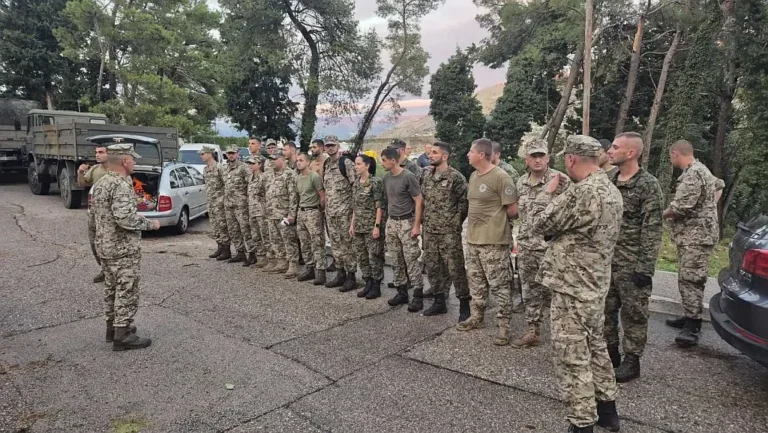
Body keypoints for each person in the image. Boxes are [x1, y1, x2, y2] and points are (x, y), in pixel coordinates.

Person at [529, 135, 623, 433]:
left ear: (570, 159)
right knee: (595, 346)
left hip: (573, 286)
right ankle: (608, 410)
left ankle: (582, 422)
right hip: (594, 284)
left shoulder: (583, 192)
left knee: (571, 354)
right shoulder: (609, 188)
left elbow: (540, 223)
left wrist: (547, 192)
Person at [601, 132, 663, 382]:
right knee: (605, 310)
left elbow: (653, 229)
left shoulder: (648, 185)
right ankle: (610, 352)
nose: (610, 151)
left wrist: (645, 268)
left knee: (634, 314)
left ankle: (632, 360)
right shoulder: (608, 179)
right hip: (606, 260)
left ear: (631, 153)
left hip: (632, 263)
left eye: (615, 147)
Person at [90, 141, 161, 351]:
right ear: (125, 160)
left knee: (111, 289)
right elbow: (125, 219)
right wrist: (151, 224)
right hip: (121, 249)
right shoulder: (120, 184)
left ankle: (112, 329)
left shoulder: (102, 183)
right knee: (126, 289)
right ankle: (123, 335)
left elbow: (95, 217)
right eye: (133, 159)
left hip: (105, 246)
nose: (134, 163)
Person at [456, 139, 517, 346]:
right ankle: (477, 316)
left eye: (470, 151)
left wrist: (495, 224)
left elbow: (513, 210)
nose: (467, 154)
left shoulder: (501, 177)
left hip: (493, 242)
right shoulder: (473, 176)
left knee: (499, 286)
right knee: (476, 282)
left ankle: (503, 326)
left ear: (481, 154)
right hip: (473, 240)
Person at [662, 139, 722, 348]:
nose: (671, 160)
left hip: (696, 237)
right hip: (695, 236)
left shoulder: (693, 173)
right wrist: (708, 207)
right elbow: (719, 185)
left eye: (671, 156)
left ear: (676, 153)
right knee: (687, 277)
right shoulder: (701, 170)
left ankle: (693, 326)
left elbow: (680, 207)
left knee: (691, 279)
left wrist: (662, 214)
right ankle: (689, 314)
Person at [511, 139, 569, 348]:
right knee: (530, 291)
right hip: (527, 246)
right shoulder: (521, 182)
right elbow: (521, 214)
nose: (537, 160)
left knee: (556, 293)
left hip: (551, 248)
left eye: (541, 156)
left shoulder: (560, 181)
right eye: (533, 156)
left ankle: (562, 336)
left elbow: (567, 214)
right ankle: (533, 331)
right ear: (526, 159)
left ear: (548, 158)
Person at [420, 142, 470, 319]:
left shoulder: (456, 177)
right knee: (432, 267)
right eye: (430, 152)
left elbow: (464, 203)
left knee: (456, 269)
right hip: (430, 231)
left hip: (449, 233)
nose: (430, 155)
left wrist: (454, 223)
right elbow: (423, 199)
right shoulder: (426, 174)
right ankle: (439, 301)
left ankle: (464, 304)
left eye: (434, 153)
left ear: (445, 157)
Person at [381, 146, 424, 308]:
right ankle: (402, 291)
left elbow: (419, 201)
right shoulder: (386, 178)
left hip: (407, 222)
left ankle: (418, 294)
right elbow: (388, 201)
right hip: (392, 222)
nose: (382, 163)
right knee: (395, 258)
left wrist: (416, 225)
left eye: (384, 160)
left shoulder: (408, 177)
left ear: (393, 160)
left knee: (411, 259)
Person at [322, 135, 358, 291]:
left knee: (348, 246)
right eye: (327, 145)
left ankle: (351, 277)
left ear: (338, 146)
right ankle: (340, 273)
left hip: (345, 213)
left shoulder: (346, 164)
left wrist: (354, 215)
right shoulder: (326, 164)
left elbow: (355, 188)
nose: (330, 148)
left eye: (332, 145)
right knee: (336, 245)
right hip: (331, 213)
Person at [490, 140, 523, 313]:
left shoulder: (508, 171)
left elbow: (515, 198)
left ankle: (511, 291)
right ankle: (502, 289)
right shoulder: (484, 170)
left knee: (505, 256)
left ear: (497, 154)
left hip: (504, 221)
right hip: (489, 224)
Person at [350, 154, 386, 299]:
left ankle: (376, 285)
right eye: (355, 164)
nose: (356, 167)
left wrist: (377, 226)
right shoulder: (356, 183)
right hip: (358, 226)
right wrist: (352, 225)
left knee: (374, 257)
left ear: (367, 165)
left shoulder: (375, 182)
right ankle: (368, 282)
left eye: (358, 164)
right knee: (362, 257)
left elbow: (379, 206)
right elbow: (355, 206)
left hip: (371, 226)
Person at [263, 151, 300, 277]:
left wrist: (291, 214)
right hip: (271, 213)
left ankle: (293, 265)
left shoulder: (290, 174)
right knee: (275, 239)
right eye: (270, 159)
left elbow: (293, 196)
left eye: (274, 159)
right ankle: (281, 262)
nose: (272, 161)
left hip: (284, 214)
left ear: (282, 160)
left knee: (288, 239)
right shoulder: (269, 175)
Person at [78, 144, 109, 283]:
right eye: (96, 152)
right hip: (95, 211)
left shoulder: (115, 170)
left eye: (101, 152)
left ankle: (110, 271)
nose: (97, 155)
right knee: (94, 242)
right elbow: (82, 184)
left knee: (108, 243)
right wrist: (80, 173)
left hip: (109, 213)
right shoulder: (95, 169)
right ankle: (104, 268)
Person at [295, 153, 327, 284]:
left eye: (301, 160)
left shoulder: (314, 177)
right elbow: (299, 196)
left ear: (308, 162)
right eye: (297, 160)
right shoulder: (298, 178)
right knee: (304, 242)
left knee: (317, 242)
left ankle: (321, 271)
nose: (298, 163)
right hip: (301, 212)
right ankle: (309, 268)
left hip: (313, 211)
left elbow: (322, 197)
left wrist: (320, 211)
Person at [222, 144, 253, 265]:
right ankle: (240, 252)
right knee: (233, 230)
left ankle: (252, 253)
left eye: (233, 153)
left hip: (241, 204)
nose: (231, 155)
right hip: (228, 204)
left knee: (245, 230)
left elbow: (251, 183)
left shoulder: (244, 167)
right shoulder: (224, 168)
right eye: (229, 153)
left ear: (237, 154)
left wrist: (248, 200)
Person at [200, 145, 231, 261]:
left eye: (203, 154)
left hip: (220, 201)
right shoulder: (205, 169)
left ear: (209, 154)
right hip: (211, 201)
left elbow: (226, 184)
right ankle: (220, 247)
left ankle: (226, 250)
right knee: (215, 226)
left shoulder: (220, 167)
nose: (201, 156)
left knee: (222, 226)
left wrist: (224, 200)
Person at [246, 155, 269, 268]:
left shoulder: (264, 177)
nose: (250, 166)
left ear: (259, 164)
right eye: (249, 163)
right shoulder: (250, 177)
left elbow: (267, 195)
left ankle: (271, 258)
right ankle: (261, 257)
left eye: (253, 163)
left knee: (265, 235)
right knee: (256, 236)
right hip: (252, 211)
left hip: (262, 211)